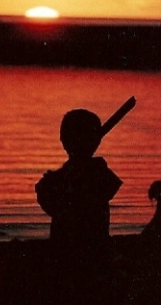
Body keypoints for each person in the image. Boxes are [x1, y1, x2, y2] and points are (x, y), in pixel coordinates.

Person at [35, 108, 122, 255]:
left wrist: (50, 188)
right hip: (67, 249)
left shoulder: (95, 171)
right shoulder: (68, 174)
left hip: (88, 251)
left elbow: (62, 208)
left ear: (63, 140)